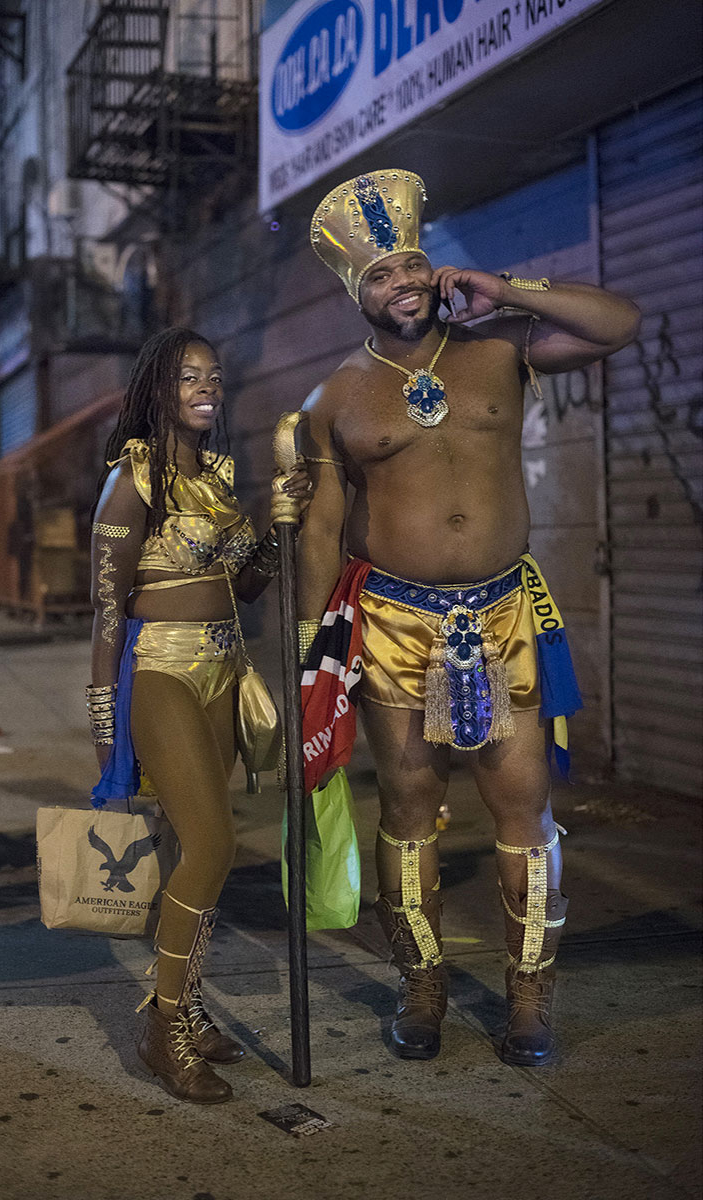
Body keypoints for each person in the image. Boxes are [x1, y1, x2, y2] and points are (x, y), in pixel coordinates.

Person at [296, 169, 640, 1066]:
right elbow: (321, 532)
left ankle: (530, 995)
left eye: (411, 263)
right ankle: (423, 985)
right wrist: (308, 657)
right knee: (409, 807)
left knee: (523, 807)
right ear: (356, 292)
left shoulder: (502, 348)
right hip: (391, 623)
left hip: (503, 615)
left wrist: (505, 286)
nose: (402, 283)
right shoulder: (332, 401)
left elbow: (619, 324)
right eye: (380, 275)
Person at [88, 327, 310, 1103]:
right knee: (213, 845)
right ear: (159, 389)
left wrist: (280, 522)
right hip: (163, 674)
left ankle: (183, 1003)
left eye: (213, 375)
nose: (207, 387)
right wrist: (104, 729)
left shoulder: (214, 479)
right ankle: (164, 1028)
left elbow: (246, 584)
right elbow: (106, 615)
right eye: (188, 376)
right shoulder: (132, 481)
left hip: (226, 670)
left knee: (193, 847)